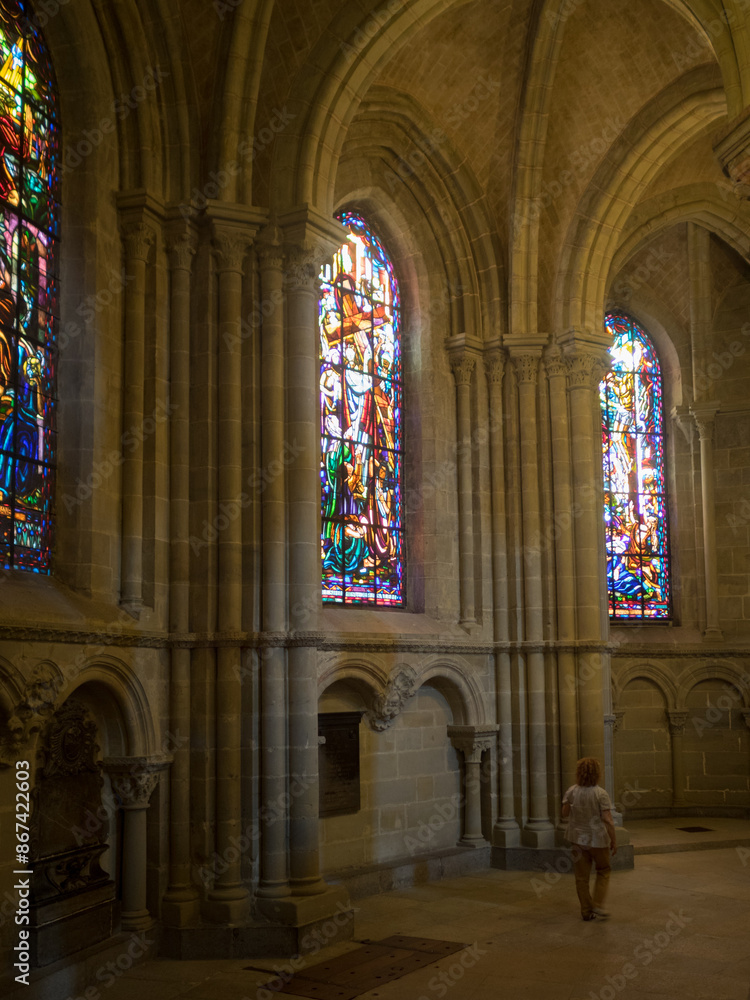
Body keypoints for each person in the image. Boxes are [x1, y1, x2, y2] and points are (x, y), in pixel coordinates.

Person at [561, 757, 617, 921]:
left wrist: (571, 806)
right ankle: (598, 904)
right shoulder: (601, 793)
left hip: (578, 839)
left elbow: (564, 814)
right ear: (597, 774)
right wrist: (613, 840)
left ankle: (586, 911)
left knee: (581, 877)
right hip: (598, 840)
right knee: (603, 870)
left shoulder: (572, 791)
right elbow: (607, 819)